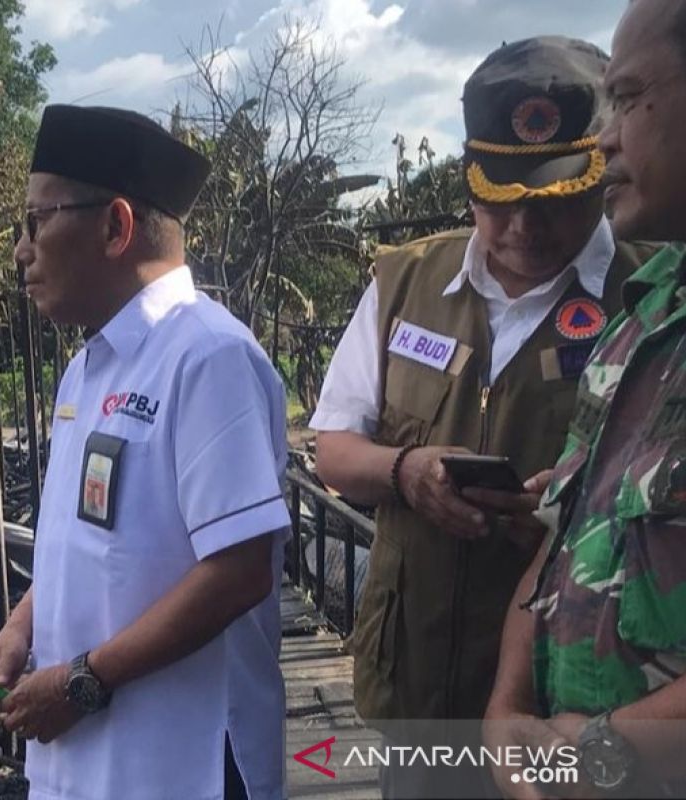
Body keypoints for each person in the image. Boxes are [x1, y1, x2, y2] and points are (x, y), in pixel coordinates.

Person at [309, 36, 656, 797]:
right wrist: (407, 472)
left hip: (575, 712)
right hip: (418, 687)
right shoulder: (406, 282)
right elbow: (332, 446)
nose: (524, 229)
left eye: (554, 200)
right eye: (502, 199)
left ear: (602, 172)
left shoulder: (652, 295)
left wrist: (579, 511)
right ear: (471, 180)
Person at [0, 105, 292, 800]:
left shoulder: (207, 356)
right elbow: (86, 544)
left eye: (36, 222)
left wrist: (84, 681)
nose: (22, 250)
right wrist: (21, 628)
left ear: (115, 226)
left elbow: (239, 571)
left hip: (182, 761)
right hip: (85, 757)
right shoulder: (90, 367)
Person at [484, 2, 686, 797]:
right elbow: (561, 538)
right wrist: (506, 706)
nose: (605, 140)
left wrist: (605, 748)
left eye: (630, 96)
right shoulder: (642, 312)